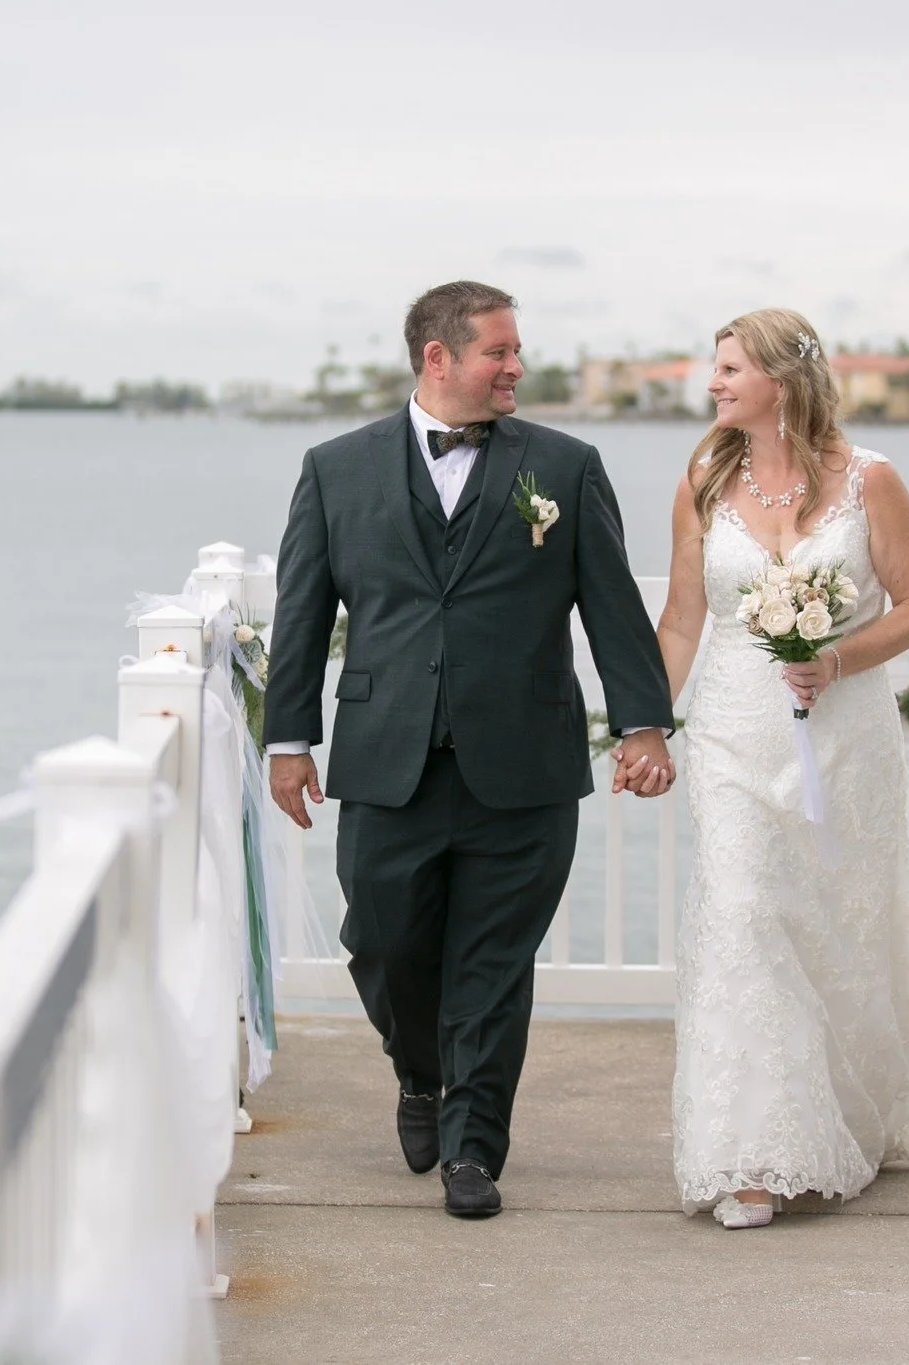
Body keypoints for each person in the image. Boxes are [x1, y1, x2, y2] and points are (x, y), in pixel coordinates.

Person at [264, 280, 677, 1219]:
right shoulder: (336, 468)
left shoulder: (566, 469)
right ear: (438, 357)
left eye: (516, 351)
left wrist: (642, 723)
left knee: (492, 964)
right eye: (498, 352)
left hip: (523, 761)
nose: (516, 368)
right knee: (382, 941)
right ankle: (419, 1074)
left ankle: (472, 1149)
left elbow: (611, 604)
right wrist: (290, 741)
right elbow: (301, 616)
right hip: (385, 758)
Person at [652, 308, 909, 1229]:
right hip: (736, 729)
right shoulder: (704, 480)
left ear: (781, 379)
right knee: (743, 911)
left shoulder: (872, 481)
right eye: (715, 368)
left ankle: (850, 1114)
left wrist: (836, 659)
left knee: (837, 922)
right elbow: (680, 619)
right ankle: (752, 1152)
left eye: (731, 367)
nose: (714, 383)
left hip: (845, 732)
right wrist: (644, 728)